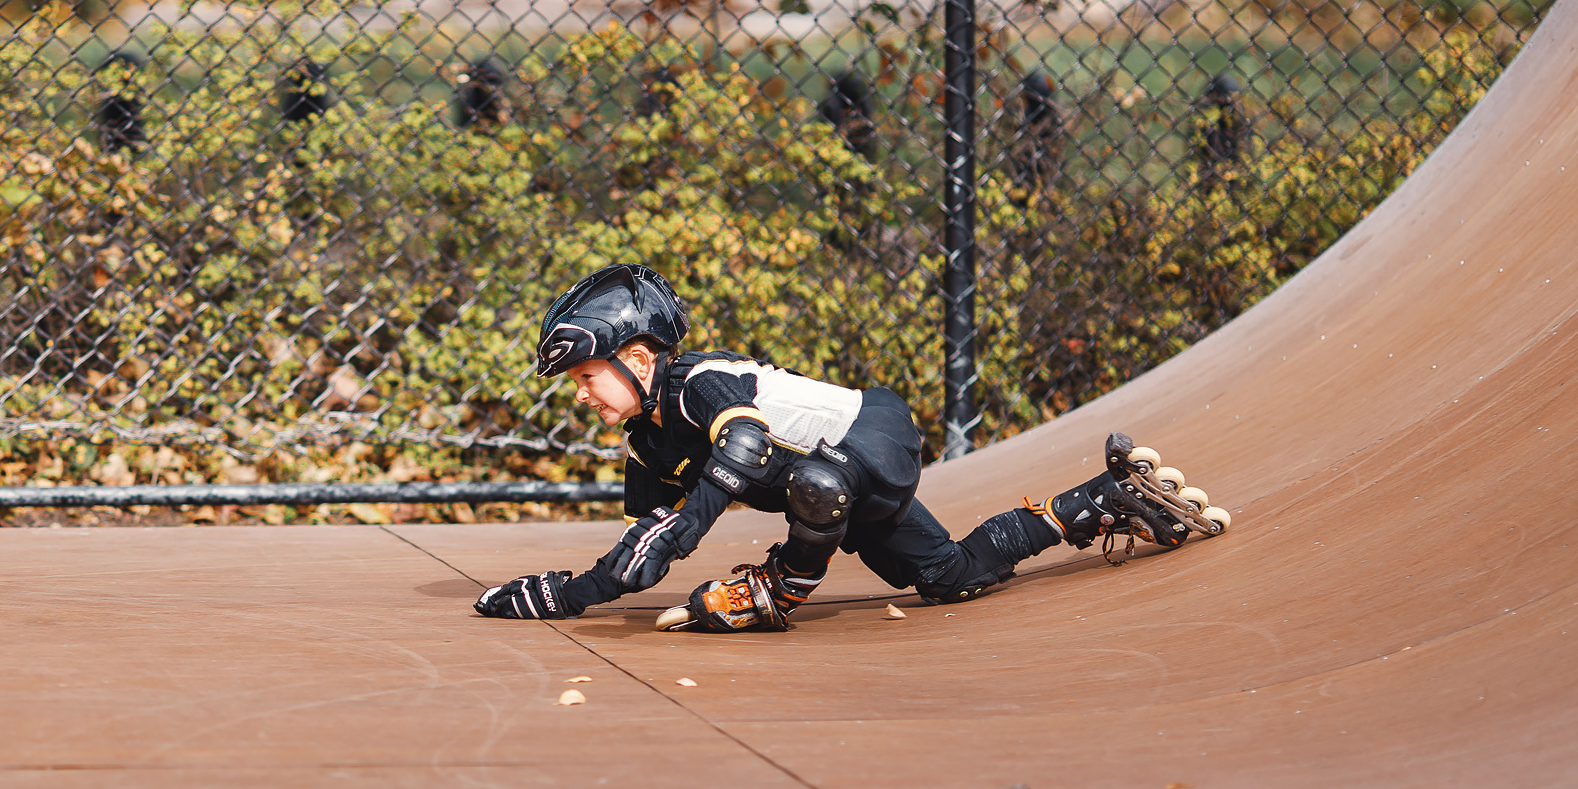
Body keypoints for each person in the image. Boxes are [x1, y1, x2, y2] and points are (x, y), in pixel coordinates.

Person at [473, 263, 1229, 631]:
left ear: (638, 360)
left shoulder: (702, 382)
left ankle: (783, 590)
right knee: (949, 575)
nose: (579, 393)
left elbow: (735, 456)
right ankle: (1101, 500)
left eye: (584, 375)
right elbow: (645, 541)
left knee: (817, 486)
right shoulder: (646, 441)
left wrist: (764, 577)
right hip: (841, 479)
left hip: (870, 435)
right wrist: (564, 595)